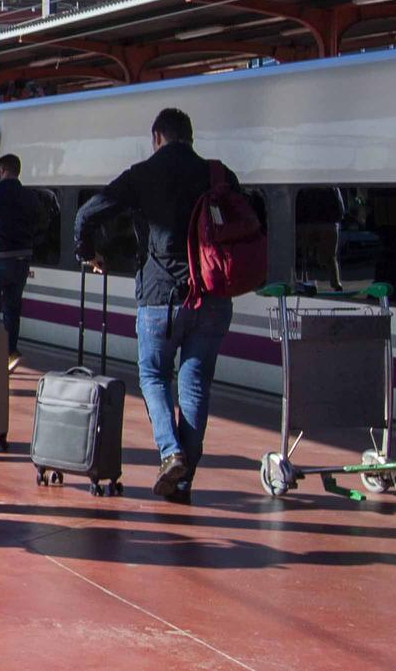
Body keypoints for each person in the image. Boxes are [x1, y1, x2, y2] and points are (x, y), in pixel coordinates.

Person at [95, 107, 238, 502]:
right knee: (195, 386)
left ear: (157, 137)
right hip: (212, 298)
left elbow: (93, 210)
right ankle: (184, 477)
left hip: (160, 300)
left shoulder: (142, 173)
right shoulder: (219, 175)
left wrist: (88, 249)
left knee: (154, 377)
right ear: (190, 137)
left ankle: (170, 451)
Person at [0, 154, 37, 371]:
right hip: (23, 259)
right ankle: (10, 351)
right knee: (13, 307)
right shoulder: (29, 196)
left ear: (2, 170)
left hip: (0, 257)